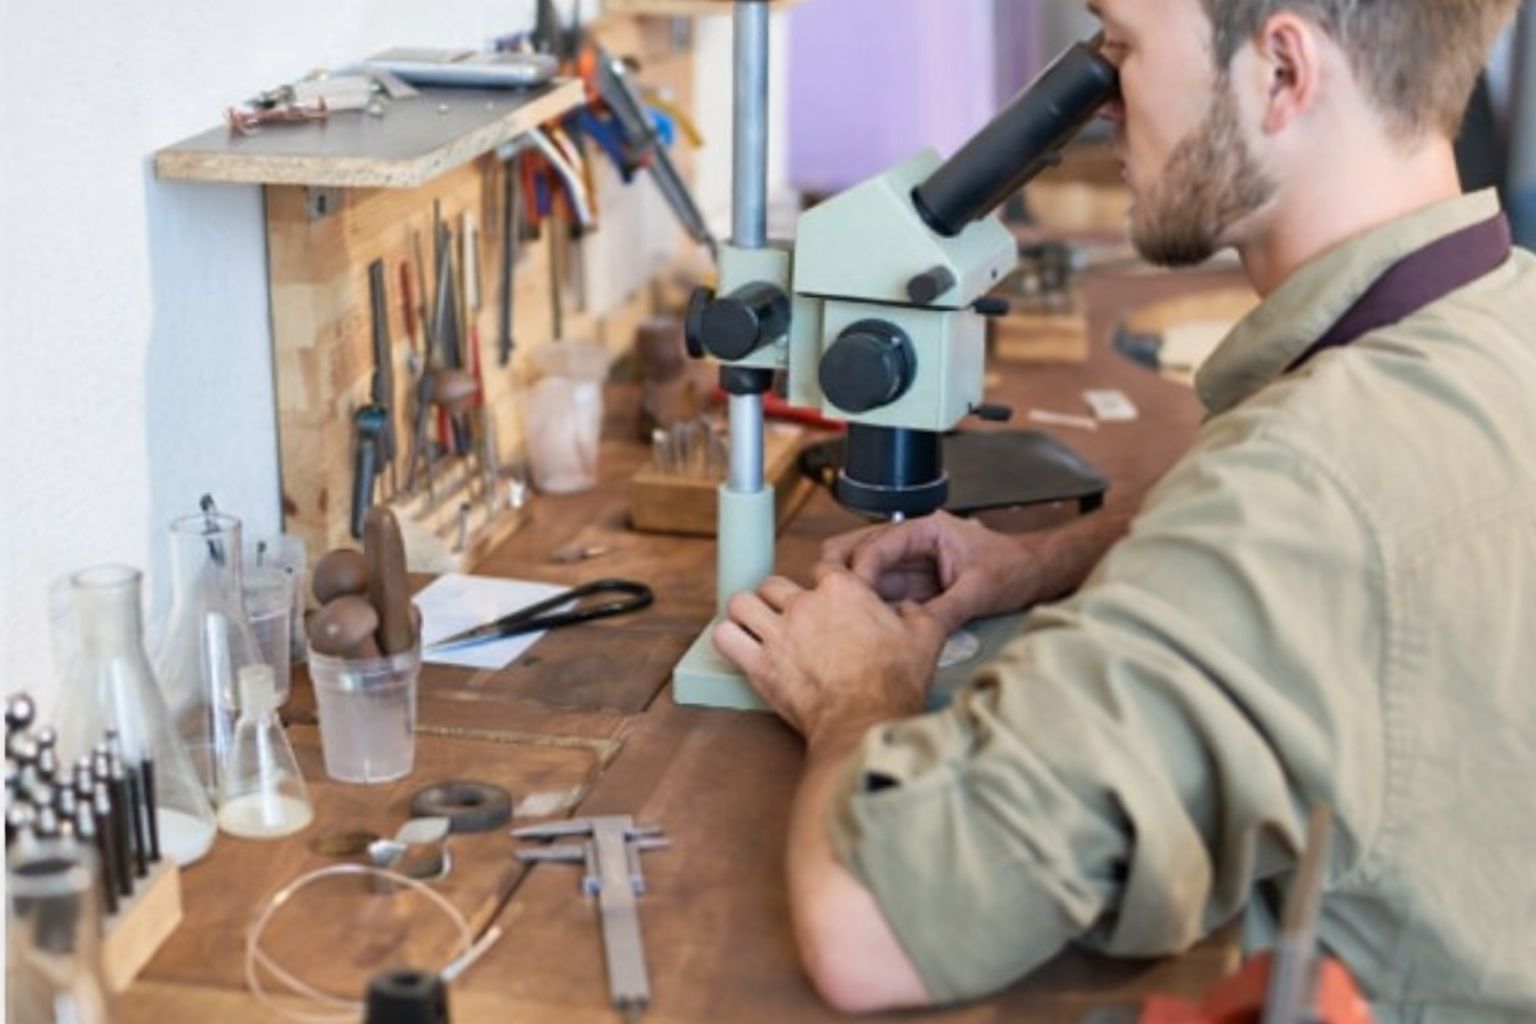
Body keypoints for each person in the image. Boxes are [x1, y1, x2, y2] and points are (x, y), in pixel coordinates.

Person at [713, 1, 1535, 1020]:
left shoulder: (1298, 493)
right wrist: (1047, 558)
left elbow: (871, 931)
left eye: (1123, 47)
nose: (1101, 103)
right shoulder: (1496, 318)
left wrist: (856, 694)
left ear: (1282, 73)